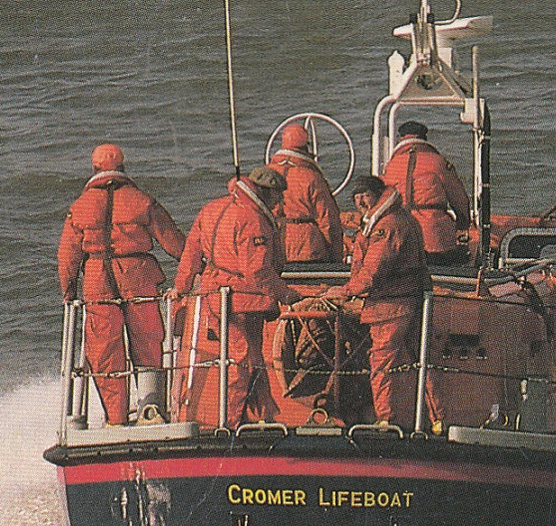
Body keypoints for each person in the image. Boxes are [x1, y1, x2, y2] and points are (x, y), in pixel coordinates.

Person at [58, 144, 185, 425]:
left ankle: (115, 419)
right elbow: (174, 243)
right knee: (149, 341)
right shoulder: (142, 201)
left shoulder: (78, 208)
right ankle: (150, 410)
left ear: (94, 170)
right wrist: (198, 265)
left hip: (96, 280)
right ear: (123, 168)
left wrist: (69, 292)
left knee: (105, 352)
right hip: (137, 274)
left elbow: (67, 258)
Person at [173, 166, 300, 427]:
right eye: (278, 196)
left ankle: (264, 416)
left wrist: (182, 287)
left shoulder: (211, 209)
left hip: (215, 295)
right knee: (241, 363)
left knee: (252, 359)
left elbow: (191, 252)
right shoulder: (253, 220)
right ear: (267, 192)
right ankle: (231, 425)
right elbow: (258, 270)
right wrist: (286, 295)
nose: (280, 203)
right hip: (241, 300)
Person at [319, 175, 431, 426]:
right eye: (356, 197)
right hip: (405, 300)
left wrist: (345, 292)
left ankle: (385, 421)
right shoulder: (396, 219)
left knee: (381, 364)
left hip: (391, 306)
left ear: (378, 194)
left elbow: (373, 270)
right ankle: (435, 418)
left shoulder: (386, 226)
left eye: (365, 195)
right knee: (421, 361)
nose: (360, 201)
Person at [381, 120, 471, 265]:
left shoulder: (391, 166)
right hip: (435, 238)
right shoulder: (438, 162)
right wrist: (462, 225)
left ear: (400, 139)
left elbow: (383, 203)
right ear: (424, 138)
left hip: (401, 237)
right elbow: (459, 200)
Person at [268, 122, 345, 264]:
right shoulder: (311, 176)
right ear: (306, 147)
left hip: (274, 246)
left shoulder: (267, 174)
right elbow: (328, 220)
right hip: (307, 247)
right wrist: (336, 257)